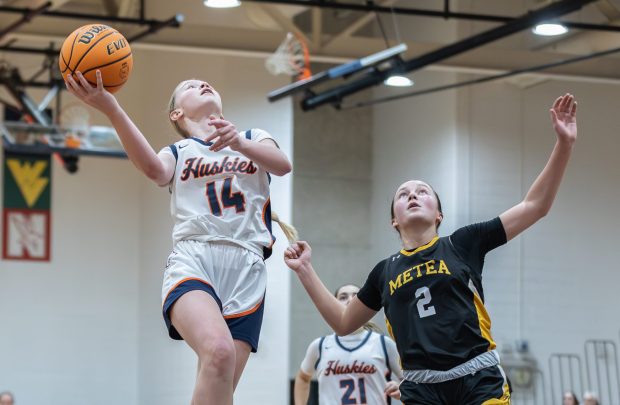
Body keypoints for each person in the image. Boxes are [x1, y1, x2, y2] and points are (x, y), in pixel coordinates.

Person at [285, 93, 578, 405]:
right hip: (422, 388)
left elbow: (535, 206)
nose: (412, 195)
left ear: (439, 214)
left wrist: (564, 144)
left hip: (477, 378)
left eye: (422, 192)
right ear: (393, 221)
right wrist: (304, 270)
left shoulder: (462, 243)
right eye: (403, 194)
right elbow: (343, 323)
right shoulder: (385, 271)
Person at [65, 71, 292, 405]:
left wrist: (240, 143)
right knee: (218, 352)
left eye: (207, 83)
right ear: (177, 114)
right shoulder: (179, 150)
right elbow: (155, 171)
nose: (202, 83)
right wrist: (113, 109)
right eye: (189, 85)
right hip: (195, 258)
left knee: (219, 381)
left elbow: (283, 165)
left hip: (248, 266)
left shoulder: (253, 135)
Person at [294, 284, 403, 405]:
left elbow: (410, 382)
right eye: (343, 297)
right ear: (333, 304)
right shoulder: (319, 346)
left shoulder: (384, 344)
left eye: (356, 296)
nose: (350, 300)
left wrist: (402, 390)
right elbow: (303, 378)